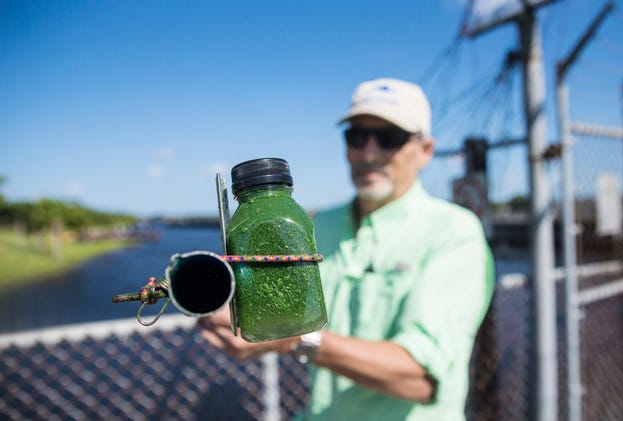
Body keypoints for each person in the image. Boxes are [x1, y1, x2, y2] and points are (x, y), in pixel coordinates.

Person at [197, 77, 494, 420]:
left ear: (425, 150)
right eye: (356, 136)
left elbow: (421, 379)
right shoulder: (320, 225)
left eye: (388, 138)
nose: (369, 152)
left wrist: (289, 339)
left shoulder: (454, 231)